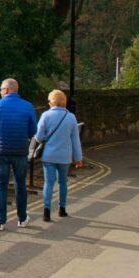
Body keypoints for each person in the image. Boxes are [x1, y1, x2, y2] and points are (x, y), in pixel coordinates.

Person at [0, 78, 37, 231]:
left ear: (6, 90)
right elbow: (33, 130)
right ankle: (21, 219)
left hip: (2, 151)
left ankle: (0, 222)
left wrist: (1, 133)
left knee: (1, 185)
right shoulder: (28, 106)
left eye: (1, 89)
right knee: (20, 185)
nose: (0, 92)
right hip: (21, 151)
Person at [35, 89, 83, 222]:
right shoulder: (71, 117)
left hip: (49, 155)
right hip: (65, 156)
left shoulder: (45, 115)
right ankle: (62, 209)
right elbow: (75, 139)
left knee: (48, 183)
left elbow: (39, 137)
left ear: (51, 102)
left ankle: (46, 211)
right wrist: (78, 158)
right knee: (62, 182)